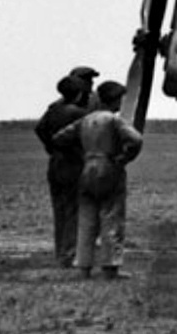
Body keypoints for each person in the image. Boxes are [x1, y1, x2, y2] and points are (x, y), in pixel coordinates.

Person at [53, 80, 143, 279]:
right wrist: (124, 158)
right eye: (120, 98)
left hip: (86, 169)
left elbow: (59, 138)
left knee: (86, 220)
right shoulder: (113, 120)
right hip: (109, 168)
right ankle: (110, 267)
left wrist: (82, 154)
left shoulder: (85, 120)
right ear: (114, 99)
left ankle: (83, 267)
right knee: (111, 217)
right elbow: (136, 139)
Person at [34, 76, 89, 267]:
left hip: (55, 163)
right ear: (80, 93)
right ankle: (69, 254)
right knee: (74, 210)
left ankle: (60, 252)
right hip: (73, 164)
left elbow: (39, 128)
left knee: (59, 210)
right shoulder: (80, 113)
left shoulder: (53, 110)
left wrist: (50, 147)